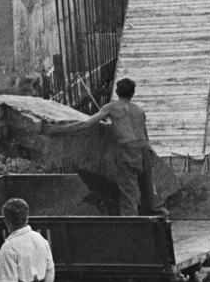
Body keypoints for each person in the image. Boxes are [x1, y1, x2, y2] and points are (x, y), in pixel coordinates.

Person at [43, 78, 149, 215]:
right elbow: (144, 134)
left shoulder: (111, 107)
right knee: (146, 191)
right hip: (146, 151)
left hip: (128, 151)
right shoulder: (140, 110)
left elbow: (86, 124)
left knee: (128, 193)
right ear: (133, 93)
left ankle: (132, 226)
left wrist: (57, 130)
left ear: (116, 91)